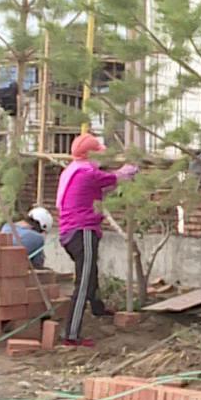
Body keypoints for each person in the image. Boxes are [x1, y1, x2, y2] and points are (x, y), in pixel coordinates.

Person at [55, 134, 137, 346]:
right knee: (83, 282)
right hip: (82, 231)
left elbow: (103, 187)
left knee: (90, 273)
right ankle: (71, 335)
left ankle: (98, 307)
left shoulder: (71, 170)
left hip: (68, 232)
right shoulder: (88, 172)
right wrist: (130, 168)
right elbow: (117, 178)